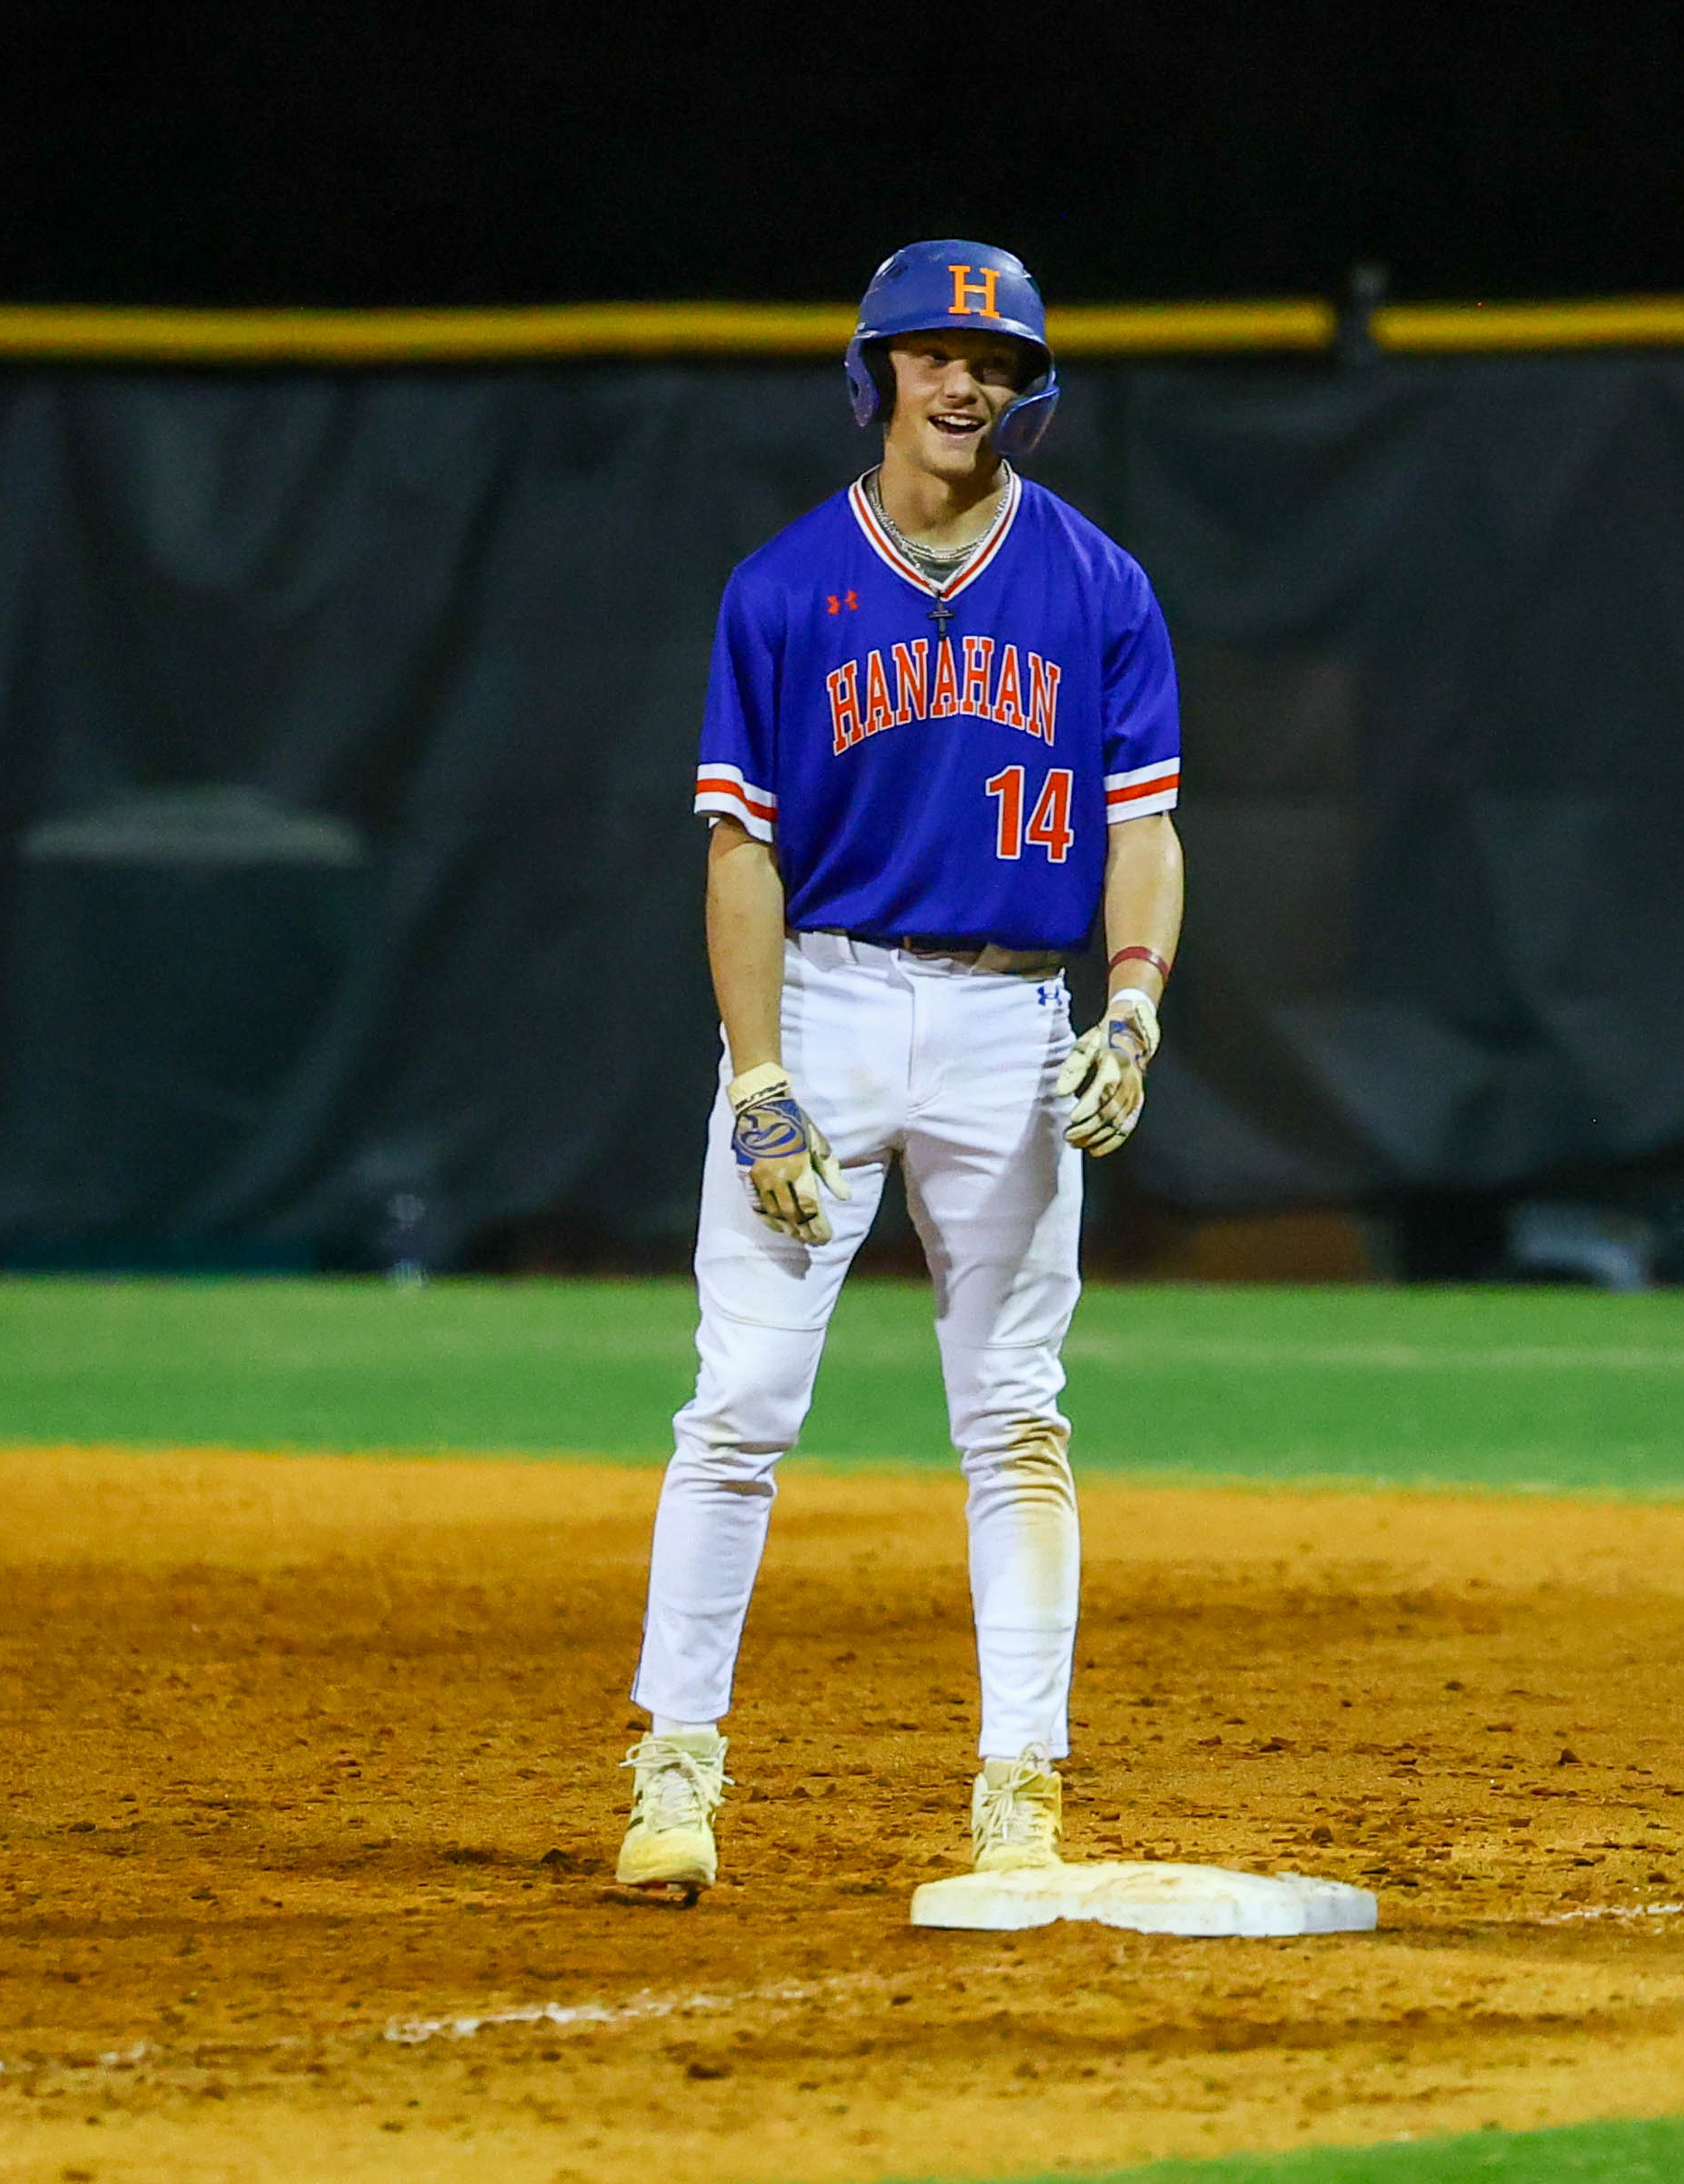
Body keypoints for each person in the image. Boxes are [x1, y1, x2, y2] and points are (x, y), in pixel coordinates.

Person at [615, 241, 1185, 1899]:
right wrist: (758, 1075)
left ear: (1028, 392)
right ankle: (676, 1766)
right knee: (738, 1404)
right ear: (876, 374)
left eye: (993, 363)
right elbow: (741, 851)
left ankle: (1021, 1785)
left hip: (1014, 1024)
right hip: (829, 1004)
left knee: (1015, 1416)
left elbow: (1145, 829)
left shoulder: (1097, 585)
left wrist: (1132, 1005)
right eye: (933, 354)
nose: (962, 383)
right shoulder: (785, 586)